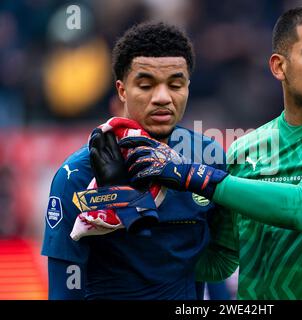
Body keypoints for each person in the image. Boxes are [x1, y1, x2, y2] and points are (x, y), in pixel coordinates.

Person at [117, 5, 302, 300]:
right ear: (279, 66)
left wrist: (194, 176)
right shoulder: (246, 149)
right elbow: (220, 261)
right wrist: (125, 243)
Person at [41, 22, 238, 300]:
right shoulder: (77, 176)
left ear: (188, 88)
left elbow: (214, 269)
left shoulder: (210, 159)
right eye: (145, 85)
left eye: (175, 84)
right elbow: (63, 292)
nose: (162, 97)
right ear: (122, 90)